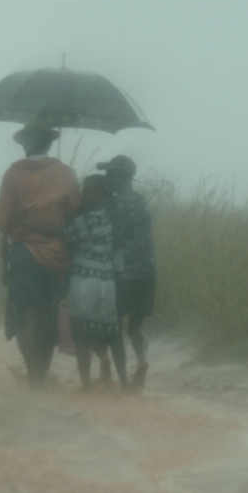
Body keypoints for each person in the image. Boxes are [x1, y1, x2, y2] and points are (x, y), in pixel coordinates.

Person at [0, 123, 81, 388]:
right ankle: (41, 372)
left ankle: (34, 374)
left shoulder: (13, 174)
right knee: (50, 312)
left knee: (23, 313)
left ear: (25, 144)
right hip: (58, 254)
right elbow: (75, 212)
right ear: (50, 143)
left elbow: (2, 220)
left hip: (23, 253)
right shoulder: (66, 173)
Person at [64, 174, 128, 390]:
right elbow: (119, 254)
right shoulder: (114, 221)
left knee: (82, 335)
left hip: (83, 282)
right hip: (107, 284)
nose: (83, 194)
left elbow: (66, 240)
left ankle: (86, 384)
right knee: (112, 332)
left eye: (87, 190)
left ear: (98, 194)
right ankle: (124, 380)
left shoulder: (81, 221)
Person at [98, 155, 156, 390]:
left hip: (122, 273)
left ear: (119, 177)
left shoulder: (111, 205)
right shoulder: (141, 202)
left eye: (110, 174)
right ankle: (142, 362)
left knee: (114, 325)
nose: (107, 179)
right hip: (146, 271)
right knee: (135, 327)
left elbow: (111, 239)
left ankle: (115, 374)